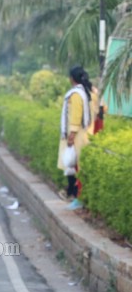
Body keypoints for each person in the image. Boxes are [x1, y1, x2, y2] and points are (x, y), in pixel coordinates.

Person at [58, 65, 96, 210]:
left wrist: (71, 136)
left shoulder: (75, 94)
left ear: (72, 78)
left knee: (73, 166)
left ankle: (75, 196)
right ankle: (73, 194)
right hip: (85, 133)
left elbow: (75, 116)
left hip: (76, 135)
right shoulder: (87, 92)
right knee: (75, 166)